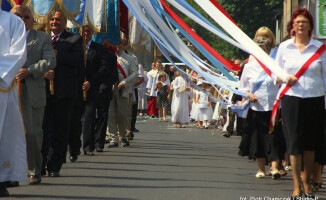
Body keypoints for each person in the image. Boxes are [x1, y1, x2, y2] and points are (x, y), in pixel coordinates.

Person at [275, 8, 326, 199]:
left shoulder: (320, 48)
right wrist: (284, 78)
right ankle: (296, 186)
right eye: (297, 22)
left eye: (304, 22)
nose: (301, 25)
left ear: (310, 25)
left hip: (314, 98)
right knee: (294, 143)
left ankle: (307, 183)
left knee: (310, 144)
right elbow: (275, 74)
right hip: (291, 99)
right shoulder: (284, 47)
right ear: (293, 26)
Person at [11, 5, 56, 184]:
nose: (22, 20)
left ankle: (34, 170)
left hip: (32, 92)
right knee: (10, 133)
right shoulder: (5, 37)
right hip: (8, 90)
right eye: (18, 16)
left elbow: (50, 60)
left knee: (32, 133)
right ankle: (10, 173)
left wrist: (30, 70)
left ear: (32, 20)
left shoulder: (42, 38)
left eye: (26, 17)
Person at [42, 10, 84, 177]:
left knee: (60, 131)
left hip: (64, 93)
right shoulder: (43, 39)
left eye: (58, 19)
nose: (54, 22)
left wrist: (59, 56)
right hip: (43, 92)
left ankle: (54, 166)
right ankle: (40, 163)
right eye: (52, 19)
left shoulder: (74, 39)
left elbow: (78, 61)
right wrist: (44, 72)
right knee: (44, 130)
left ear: (64, 21)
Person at [238, 37, 282, 180]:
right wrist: (249, 95)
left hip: (274, 108)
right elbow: (242, 88)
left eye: (263, 49)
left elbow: (281, 82)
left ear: (268, 51)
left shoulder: (275, 65)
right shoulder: (248, 67)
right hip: (257, 108)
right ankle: (261, 168)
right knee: (259, 139)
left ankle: (275, 168)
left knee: (274, 138)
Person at [0, 8, 27, 197]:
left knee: (5, 135)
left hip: (3, 87)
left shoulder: (13, 22)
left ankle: (2, 179)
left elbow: (19, 53)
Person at [78, 24, 117, 156]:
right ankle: (73, 146)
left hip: (92, 88)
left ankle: (88, 146)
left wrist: (91, 81)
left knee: (89, 117)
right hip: (74, 88)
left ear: (92, 33)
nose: (85, 33)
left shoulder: (98, 49)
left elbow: (104, 68)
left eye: (88, 31)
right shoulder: (73, 46)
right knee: (74, 118)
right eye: (83, 31)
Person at [107, 34, 138, 148]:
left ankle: (123, 137)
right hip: (111, 87)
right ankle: (113, 138)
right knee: (111, 114)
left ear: (124, 45)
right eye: (116, 45)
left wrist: (124, 82)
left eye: (120, 45)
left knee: (122, 114)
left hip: (123, 89)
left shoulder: (130, 58)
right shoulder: (109, 56)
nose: (118, 48)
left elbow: (135, 74)